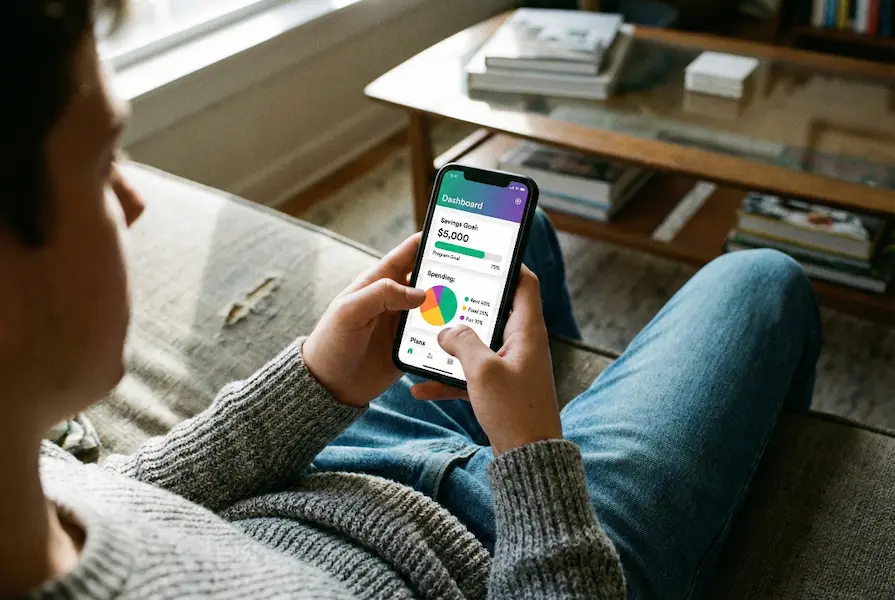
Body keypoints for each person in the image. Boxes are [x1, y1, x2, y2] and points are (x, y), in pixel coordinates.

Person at [0, 1, 823, 598]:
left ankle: (550, 404)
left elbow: (124, 498)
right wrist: (534, 458)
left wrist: (314, 382)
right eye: (103, 164)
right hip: (503, 552)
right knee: (760, 279)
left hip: (336, 467)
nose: (132, 202)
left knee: (512, 238)